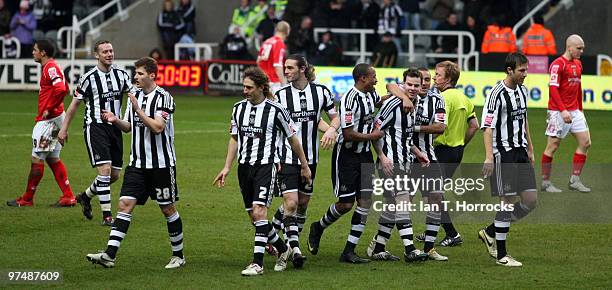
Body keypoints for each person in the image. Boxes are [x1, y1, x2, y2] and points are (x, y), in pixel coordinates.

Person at [307, 63, 413, 264]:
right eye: (373, 76)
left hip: (364, 156)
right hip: (346, 156)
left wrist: (404, 96)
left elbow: (390, 87)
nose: (376, 80)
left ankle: (349, 251)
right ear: (362, 78)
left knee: (365, 202)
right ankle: (318, 226)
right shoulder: (349, 99)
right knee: (346, 204)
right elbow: (347, 134)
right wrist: (372, 135)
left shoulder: (370, 95)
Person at [86, 57, 184, 269]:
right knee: (124, 205)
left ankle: (179, 256)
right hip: (137, 164)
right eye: (135, 73)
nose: (135, 77)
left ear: (151, 75)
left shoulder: (164, 98)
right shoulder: (135, 96)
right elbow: (129, 126)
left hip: (161, 165)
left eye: (139, 73)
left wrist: (139, 110)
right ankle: (109, 255)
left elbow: (158, 127)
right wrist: (114, 119)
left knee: (167, 209)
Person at [213, 67, 312, 276]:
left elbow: (293, 139)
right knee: (255, 218)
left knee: (259, 212)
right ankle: (284, 249)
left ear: (261, 87)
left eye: (249, 88)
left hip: (266, 166)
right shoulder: (238, 108)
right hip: (244, 168)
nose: (245, 91)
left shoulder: (276, 110)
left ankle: (257, 263)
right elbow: (234, 138)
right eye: (243, 87)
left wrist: (304, 165)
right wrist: (226, 167)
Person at [269, 54, 339, 267]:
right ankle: (294, 248)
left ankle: (274, 230)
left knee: (302, 204)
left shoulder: (321, 92)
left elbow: (332, 116)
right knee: (290, 202)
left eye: (290, 68)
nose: (286, 71)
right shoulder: (280, 95)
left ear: (302, 69)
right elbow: (271, 127)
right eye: (285, 67)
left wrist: (332, 130)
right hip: (287, 157)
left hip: (312, 158)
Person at [58, 40, 134, 226]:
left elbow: (133, 97)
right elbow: (74, 105)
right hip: (95, 127)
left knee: (115, 175)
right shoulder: (88, 78)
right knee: (105, 171)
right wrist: (64, 128)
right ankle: (107, 216)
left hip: (115, 127)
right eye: (105, 51)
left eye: (111, 50)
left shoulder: (122, 75)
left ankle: (85, 196)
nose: (109, 54)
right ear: (96, 55)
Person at [479, 52, 538, 267]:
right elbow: (487, 127)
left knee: (530, 200)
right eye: (521, 70)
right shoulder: (496, 94)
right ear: (509, 70)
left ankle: (490, 231)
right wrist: (489, 157)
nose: (525, 74)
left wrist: (530, 148)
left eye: (526, 69)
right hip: (503, 153)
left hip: (520, 151)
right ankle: (502, 255)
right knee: (507, 200)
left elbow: (524, 120)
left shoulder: (523, 91)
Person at [367, 68, 431, 263]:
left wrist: (419, 153)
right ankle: (410, 249)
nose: (412, 88)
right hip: (390, 163)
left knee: (392, 206)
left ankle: (378, 248)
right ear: (403, 84)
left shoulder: (414, 104)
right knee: (403, 200)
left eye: (416, 85)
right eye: (409, 85)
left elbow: (403, 136)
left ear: (421, 87)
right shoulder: (394, 104)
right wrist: (382, 156)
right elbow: (375, 130)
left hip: (406, 161)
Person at [6, 39, 76, 208]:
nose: (33, 52)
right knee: (53, 158)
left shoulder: (50, 67)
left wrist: (49, 107)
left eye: (35, 49)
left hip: (49, 122)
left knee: (37, 158)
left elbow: (61, 89)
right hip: (57, 118)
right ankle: (68, 196)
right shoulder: (51, 67)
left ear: (43, 52)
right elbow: (64, 87)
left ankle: (27, 198)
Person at [418, 61, 479, 247]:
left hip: (441, 151)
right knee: (431, 192)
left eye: (438, 74)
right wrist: (460, 144)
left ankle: (451, 233)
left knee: (432, 194)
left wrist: (417, 130)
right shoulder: (464, 98)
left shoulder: (442, 99)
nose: (434, 77)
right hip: (456, 151)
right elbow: (474, 126)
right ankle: (432, 230)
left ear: (449, 78)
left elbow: (438, 128)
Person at [541, 34, 591, 193]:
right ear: (569, 47)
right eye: (579, 48)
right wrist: (562, 110)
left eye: (582, 48)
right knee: (552, 146)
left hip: (575, 111)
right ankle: (545, 182)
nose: (581, 51)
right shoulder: (557, 64)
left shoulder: (578, 64)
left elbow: (578, 87)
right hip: (557, 111)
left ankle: (574, 180)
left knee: (585, 142)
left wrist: (580, 109)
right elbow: (553, 89)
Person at [257, 21, 290, 93]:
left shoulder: (267, 41)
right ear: (287, 31)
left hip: (264, 82)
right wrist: (284, 84)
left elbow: (258, 61)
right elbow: (278, 66)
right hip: (275, 84)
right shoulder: (279, 43)